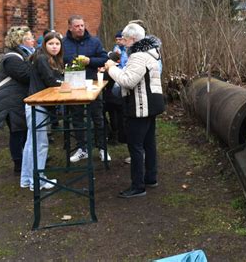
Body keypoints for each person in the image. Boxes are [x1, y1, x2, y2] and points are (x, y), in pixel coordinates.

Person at [104, 23, 165, 198]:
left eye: (124, 38)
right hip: (150, 105)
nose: (122, 42)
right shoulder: (149, 53)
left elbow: (128, 81)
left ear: (132, 39)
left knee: (135, 146)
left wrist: (111, 68)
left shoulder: (138, 56)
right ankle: (150, 178)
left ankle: (138, 186)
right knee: (148, 142)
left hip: (140, 106)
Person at [62, 15, 111, 162]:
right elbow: (58, 60)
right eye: (77, 26)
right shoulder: (63, 43)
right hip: (73, 85)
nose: (80, 28)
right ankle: (82, 148)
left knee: (98, 116)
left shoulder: (94, 41)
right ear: (70, 27)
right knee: (77, 117)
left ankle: (102, 148)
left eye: (82, 25)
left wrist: (90, 61)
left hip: (92, 84)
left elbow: (104, 59)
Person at [20, 32, 64, 190]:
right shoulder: (42, 58)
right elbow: (51, 81)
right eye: (51, 43)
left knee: (31, 143)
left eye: (57, 44)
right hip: (37, 104)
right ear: (44, 45)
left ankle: (27, 179)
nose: (54, 46)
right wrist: (67, 83)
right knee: (39, 144)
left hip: (37, 104)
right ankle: (37, 180)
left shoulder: (47, 59)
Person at [0, 26, 34, 173]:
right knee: (17, 132)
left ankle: (26, 160)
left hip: (14, 98)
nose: (33, 40)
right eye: (29, 38)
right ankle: (19, 164)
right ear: (20, 40)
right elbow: (25, 76)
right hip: (10, 100)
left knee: (22, 130)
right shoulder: (12, 58)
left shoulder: (20, 55)